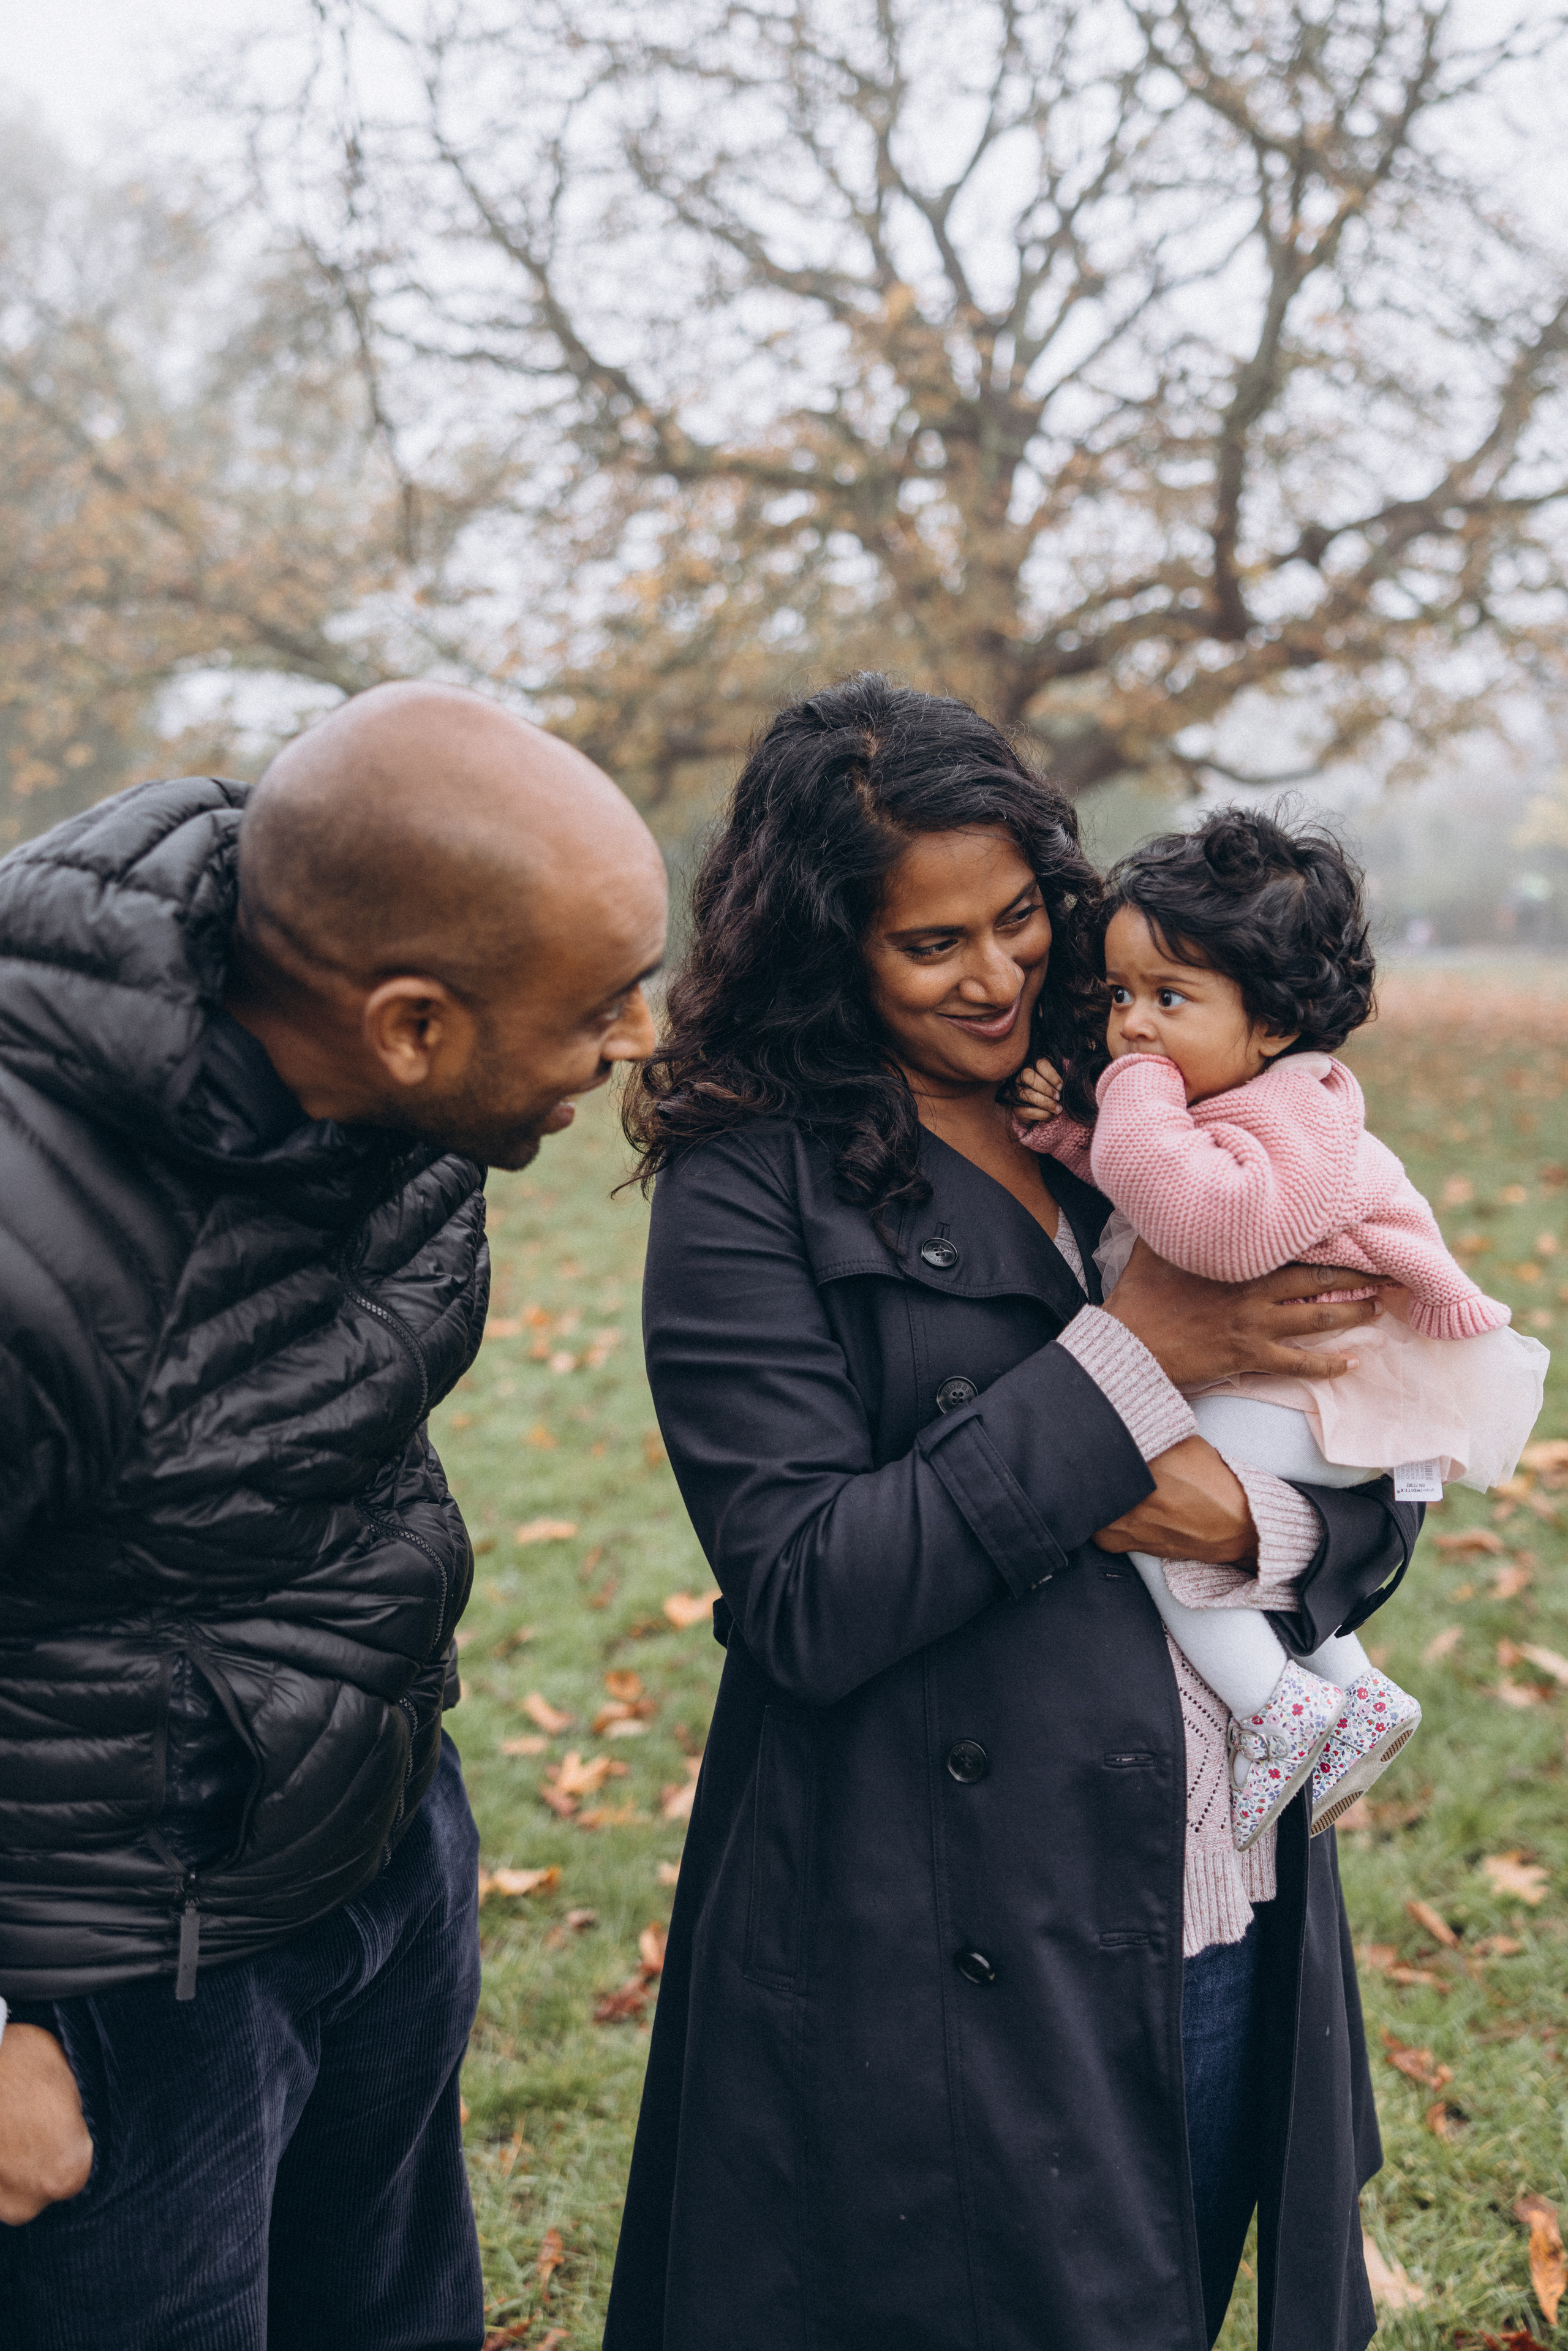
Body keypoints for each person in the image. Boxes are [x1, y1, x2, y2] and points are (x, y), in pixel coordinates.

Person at [606, 675, 1423, 2351]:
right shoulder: (748, 1185)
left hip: (1215, 1891)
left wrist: (1253, 1531)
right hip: (946, 1928)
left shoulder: (1141, 1083)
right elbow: (808, 1595)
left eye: (1023, 914)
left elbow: (1371, 1451)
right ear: (831, 949)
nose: (1000, 974)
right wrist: (1130, 1370)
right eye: (932, 946)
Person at [0, 682, 666, 2350]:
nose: (640, 1039)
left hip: (371, 1841)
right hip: (110, 1959)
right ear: (413, 1026)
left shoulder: (400, 1061)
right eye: (602, 1006)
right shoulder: (33, 1238)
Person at [1014, 809, 1544, 1846]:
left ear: (1271, 1022)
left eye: (1171, 998)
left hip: (1327, 1387)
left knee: (1142, 1494)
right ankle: (1358, 1688)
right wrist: (1072, 1137)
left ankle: (1277, 1706)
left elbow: (1210, 1224)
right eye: (1120, 994)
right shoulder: (1243, 1095)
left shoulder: (1300, 1110)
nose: (1131, 1026)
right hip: (1301, 1385)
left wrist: (1123, 1096)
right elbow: (1159, 1192)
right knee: (1161, 1497)